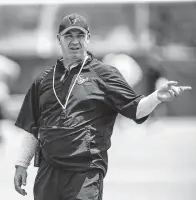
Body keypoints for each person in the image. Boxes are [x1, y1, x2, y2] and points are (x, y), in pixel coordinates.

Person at [13, 14, 192, 200]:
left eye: (80, 36)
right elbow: (33, 127)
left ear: (88, 38)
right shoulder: (43, 80)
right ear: (59, 39)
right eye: (68, 36)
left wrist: (157, 97)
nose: (75, 41)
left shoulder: (105, 74)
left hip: (85, 172)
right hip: (48, 171)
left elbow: (136, 110)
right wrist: (21, 164)